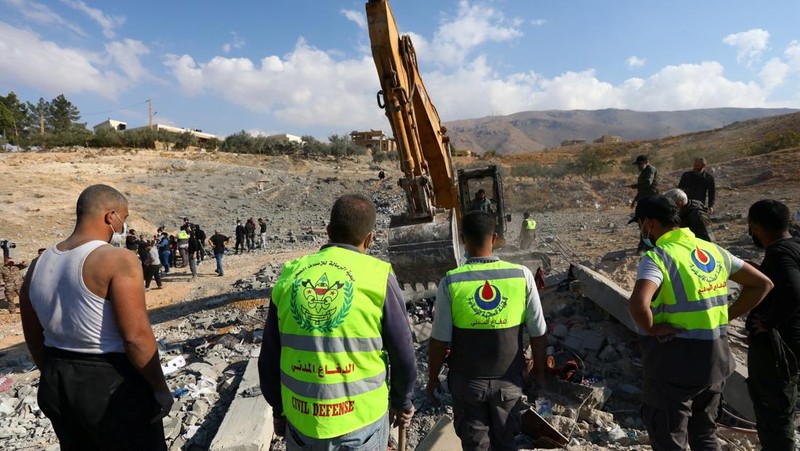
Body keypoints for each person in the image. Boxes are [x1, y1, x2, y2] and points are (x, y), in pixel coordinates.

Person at [18, 184, 172, 449]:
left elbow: (32, 333)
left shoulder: (39, 263)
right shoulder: (118, 260)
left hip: (56, 377)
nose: (123, 225)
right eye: (124, 218)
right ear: (110, 216)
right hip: (108, 382)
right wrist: (159, 386)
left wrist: (52, 373)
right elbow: (135, 337)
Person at [258, 193, 416, 450]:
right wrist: (402, 401)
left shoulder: (290, 274)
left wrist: (279, 409)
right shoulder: (378, 276)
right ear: (370, 238)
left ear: (328, 231)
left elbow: (269, 358)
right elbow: (403, 354)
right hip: (360, 424)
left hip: (301, 421)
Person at [627, 195, 773, 450]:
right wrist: (724, 315)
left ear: (648, 223)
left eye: (640, 224)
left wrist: (651, 328)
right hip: (715, 359)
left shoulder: (659, 257)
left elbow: (639, 304)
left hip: (674, 361)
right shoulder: (712, 250)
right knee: (705, 432)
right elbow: (762, 284)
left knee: (669, 435)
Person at [426, 210, 548, 451]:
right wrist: (540, 374)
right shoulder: (521, 276)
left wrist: (432, 380)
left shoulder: (451, 282)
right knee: (506, 443)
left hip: (468, 384)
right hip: (508, 382)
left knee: (476, 446)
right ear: (494, 238)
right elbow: (538, 333)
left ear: (462, 239)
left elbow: (439, 341)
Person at [745, 199, 800, 450]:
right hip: (793, 347)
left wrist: (769, 321)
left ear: (755, 227)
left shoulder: (779, 253)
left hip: (780, 354)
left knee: (775, 417)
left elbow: (793, 289)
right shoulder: (795, 246)